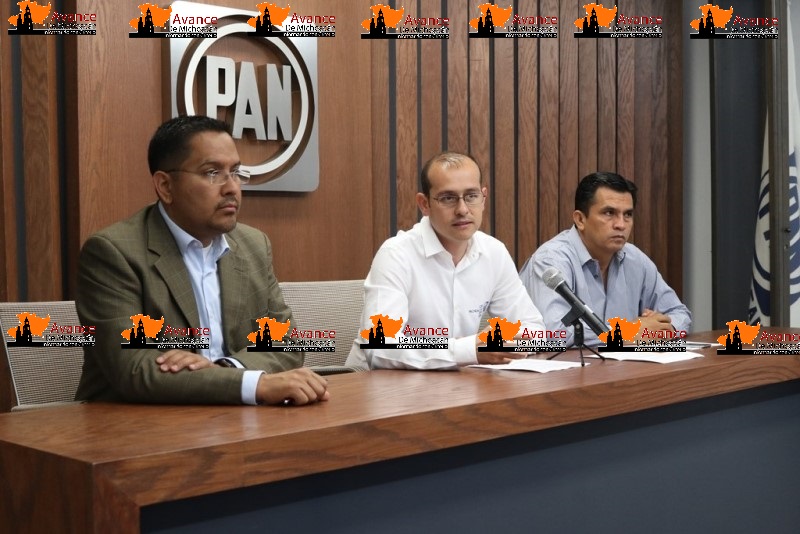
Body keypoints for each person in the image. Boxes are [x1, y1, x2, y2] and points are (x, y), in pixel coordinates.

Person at [75, 115, 328, 406]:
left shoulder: (253, 245)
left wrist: (225, 369)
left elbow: (286, 344)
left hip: (235, 417)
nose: (232, 188)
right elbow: (133, 368)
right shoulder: (114, 252)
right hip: (132, 422)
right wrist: (254, 384)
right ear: (165, 186)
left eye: (236, 172)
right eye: (212, 173)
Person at [345, 152, 546, 370]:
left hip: (456, 381)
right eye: (448, 198)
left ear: (483, 198)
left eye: (471, 196)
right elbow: (379, 345)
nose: (462, 209)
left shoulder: (494, 252)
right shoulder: (396, 254)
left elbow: (534, 330)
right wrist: (469, 350)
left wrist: (504, 344)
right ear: (424, 204)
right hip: (377, 384)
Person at [519, 171, 692, 346]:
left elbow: (680, 313)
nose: (621, 224)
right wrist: (627, 332)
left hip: (623, 363)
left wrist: (662, 329)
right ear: (580, 219)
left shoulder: (635, 260)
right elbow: (553, 334)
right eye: (609, 213)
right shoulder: (550, 261)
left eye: (628, 215)